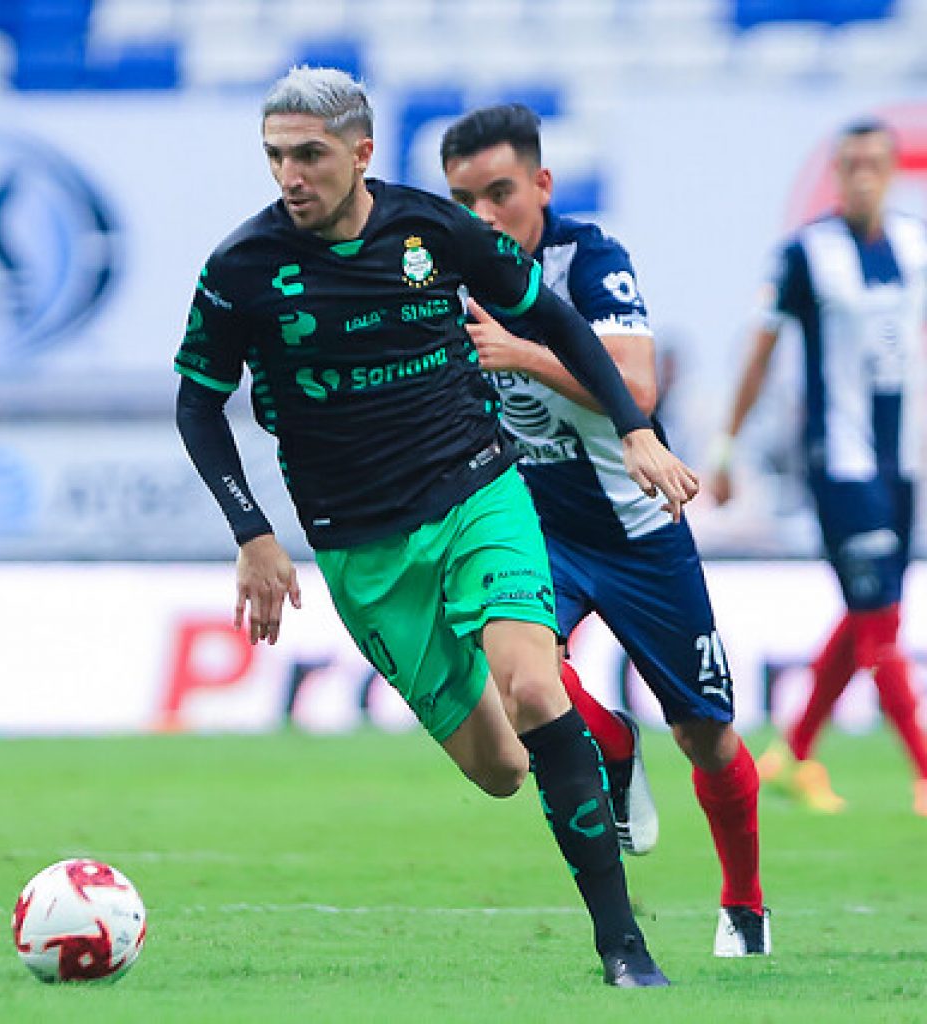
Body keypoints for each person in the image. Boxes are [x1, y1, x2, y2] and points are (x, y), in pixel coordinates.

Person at [175, 67, 701, 987]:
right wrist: (252, 534)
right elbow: (197, 407)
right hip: (363, 547)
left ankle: (624, 947)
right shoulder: (241, 270)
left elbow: (558, 321)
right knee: (501, 768)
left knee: (535, 692)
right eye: (276, 157)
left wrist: (638, 430)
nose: (290, 176)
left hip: (477, 494)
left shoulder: (433, 230)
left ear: (361, 153)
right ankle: (602, 739)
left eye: (310, 155)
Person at [439, 103, 769, 957]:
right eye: (462, 198)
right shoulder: (442, 270)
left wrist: (521, 353)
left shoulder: (590, 259)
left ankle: (744, 904)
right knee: (513, 676)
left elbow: (635, 385)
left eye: (500, 193)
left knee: (705, 731)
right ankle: (611, 743)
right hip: (533, 524)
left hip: (637, 529)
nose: (481, 217)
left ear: (542, 186)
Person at [711, 117, 927, 819]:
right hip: (839, 463)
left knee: (866, 612)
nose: (862, 174)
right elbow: (761, 350)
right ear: (835, 174)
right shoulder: (806, 255)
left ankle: (794, 752)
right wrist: (724, 448)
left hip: (903, 465)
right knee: (881, 620)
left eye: (874, 162)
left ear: (892, 170)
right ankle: (924, 770)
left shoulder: (916, 246)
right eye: (850, 163)